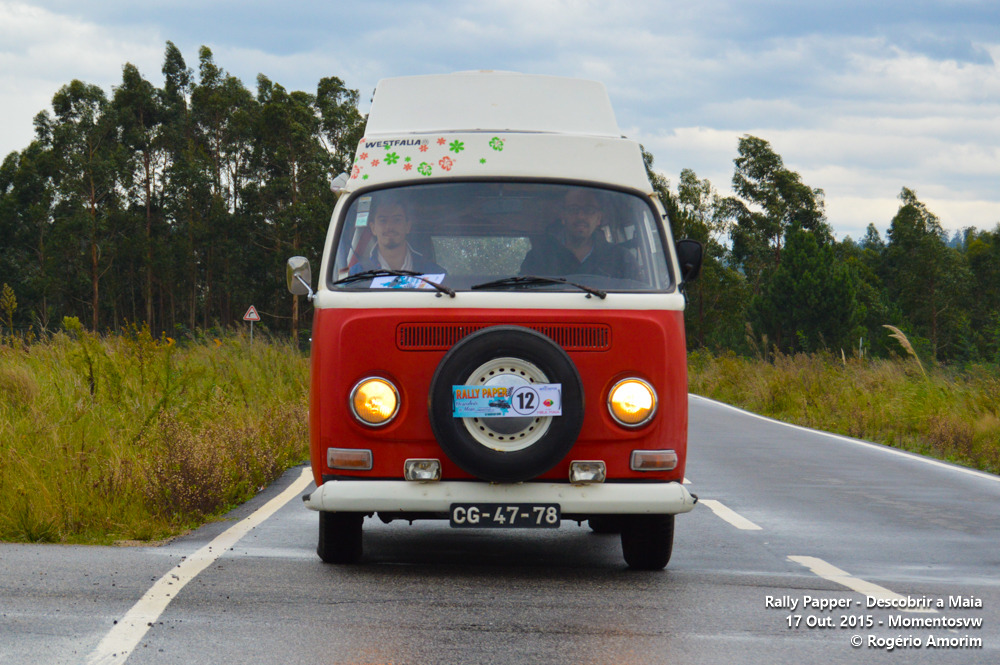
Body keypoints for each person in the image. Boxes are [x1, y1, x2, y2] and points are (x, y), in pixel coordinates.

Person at [519, 188, 640, 281]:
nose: (581, 216)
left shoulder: (622, 260)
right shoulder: (538, 258)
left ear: (599, 218)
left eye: (589, 210)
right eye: (573, 209)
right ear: (563, 216)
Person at [349, 195, 445, 276]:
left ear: (407, 226)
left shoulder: (434, 273)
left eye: (397, 220)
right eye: (383, 220)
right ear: (373, 228)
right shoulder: (358, 274)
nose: (389, 227)